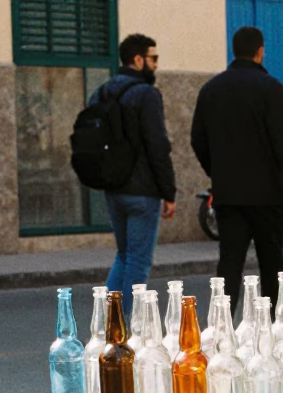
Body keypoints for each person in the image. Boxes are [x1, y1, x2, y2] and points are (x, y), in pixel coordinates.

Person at [191, 26, 283, 301]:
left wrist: (217, 172)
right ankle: (275, 327)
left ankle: (223, 328)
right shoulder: (271, 89)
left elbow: (198, 139)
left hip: (229, 195)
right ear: (260, 52)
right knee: (272, 265)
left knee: (229, 264)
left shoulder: (211, 89)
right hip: (268, 195)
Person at [91, 33, 176, 316]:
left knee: (124, 255)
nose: (156, 65)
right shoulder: (146, 95)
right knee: (138, 261)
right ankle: (124, 329)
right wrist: (168, 192)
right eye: (153, 59)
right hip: (142, 191)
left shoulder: (101, 92)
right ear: (138, 60)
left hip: (113, 188)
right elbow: (158, 145)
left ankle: (107, 320)